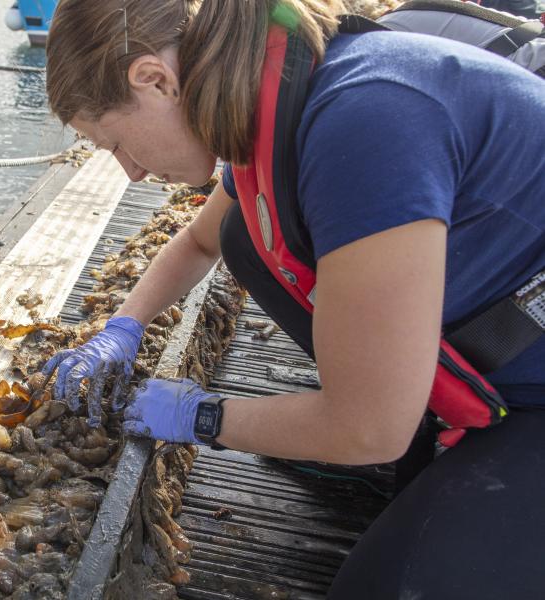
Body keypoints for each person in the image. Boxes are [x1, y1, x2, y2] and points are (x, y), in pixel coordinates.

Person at [42, 0, 545, 597]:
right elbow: (201, 243)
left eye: (115, 142)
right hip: (485, 361)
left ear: (155, 79)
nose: (130, 173)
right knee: (242, 236)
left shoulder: (362, 123)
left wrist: (199, 416)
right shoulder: (278, 91)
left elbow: (370, 428)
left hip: (530, 388)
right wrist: (121, 328)